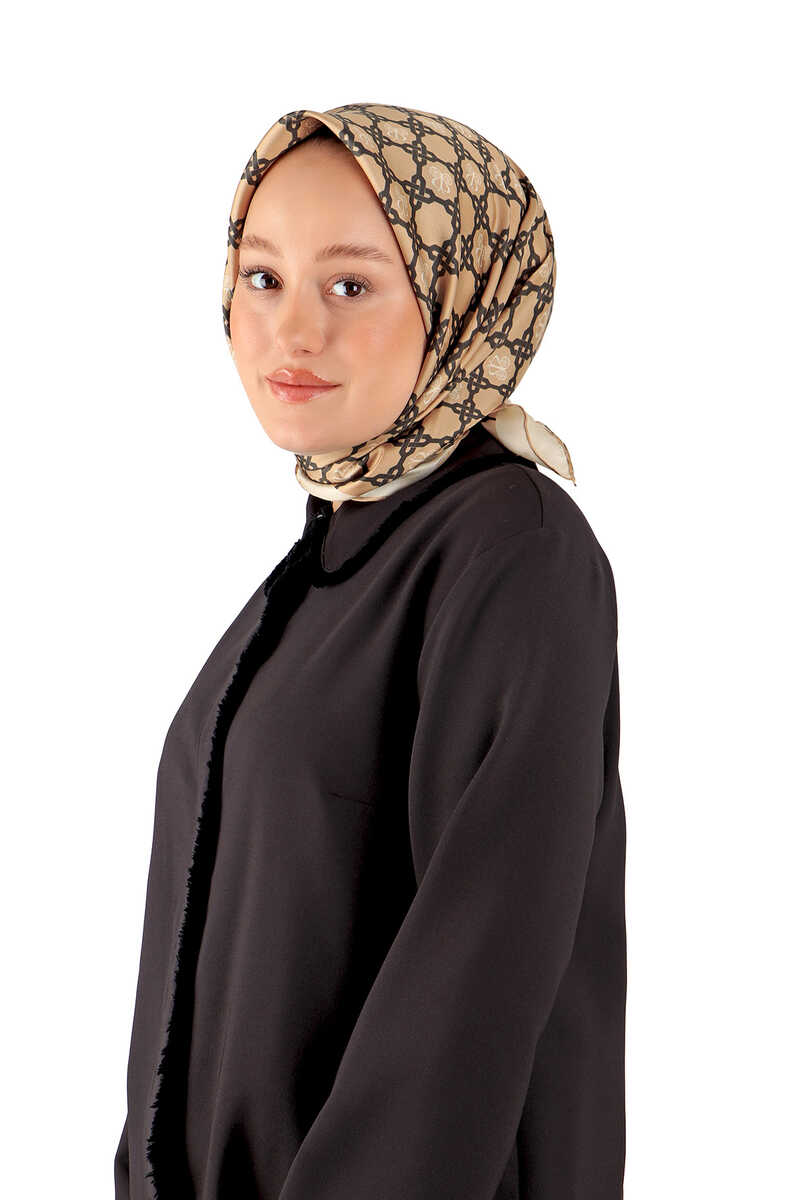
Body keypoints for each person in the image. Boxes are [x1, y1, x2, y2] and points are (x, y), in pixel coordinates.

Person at [114, 103, 626, 1200]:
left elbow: (472, 987)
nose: (291, 332)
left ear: (462, 300)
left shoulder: (513, 551)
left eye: (350, 285)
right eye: (262, 277)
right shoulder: (326, 562)